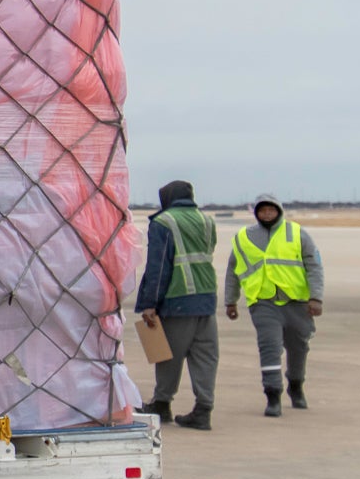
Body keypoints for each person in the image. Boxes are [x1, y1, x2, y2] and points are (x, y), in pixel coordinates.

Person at [225, 193, 325, 418]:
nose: (267, 214)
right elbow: (233, 270)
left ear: (279, 211)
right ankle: (273, 395)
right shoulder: (243, 237)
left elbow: (315, 266)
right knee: (269, 347)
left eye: (271, 210)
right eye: (262, 210)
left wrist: (316, 298)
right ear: (256, 213)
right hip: (263, 303)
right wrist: (230, 301)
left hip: (297, 303)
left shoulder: (297, 233)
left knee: (299, 347)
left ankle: (296, 385)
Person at [135, 180, 218, 429]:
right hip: (206, 297)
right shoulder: (207, 220)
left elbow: (158, 266)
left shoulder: (164, 222)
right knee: (205, 356)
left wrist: (150, 303)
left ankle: (162, 403)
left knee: (167, 355)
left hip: (178, 298)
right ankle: (204, 409)